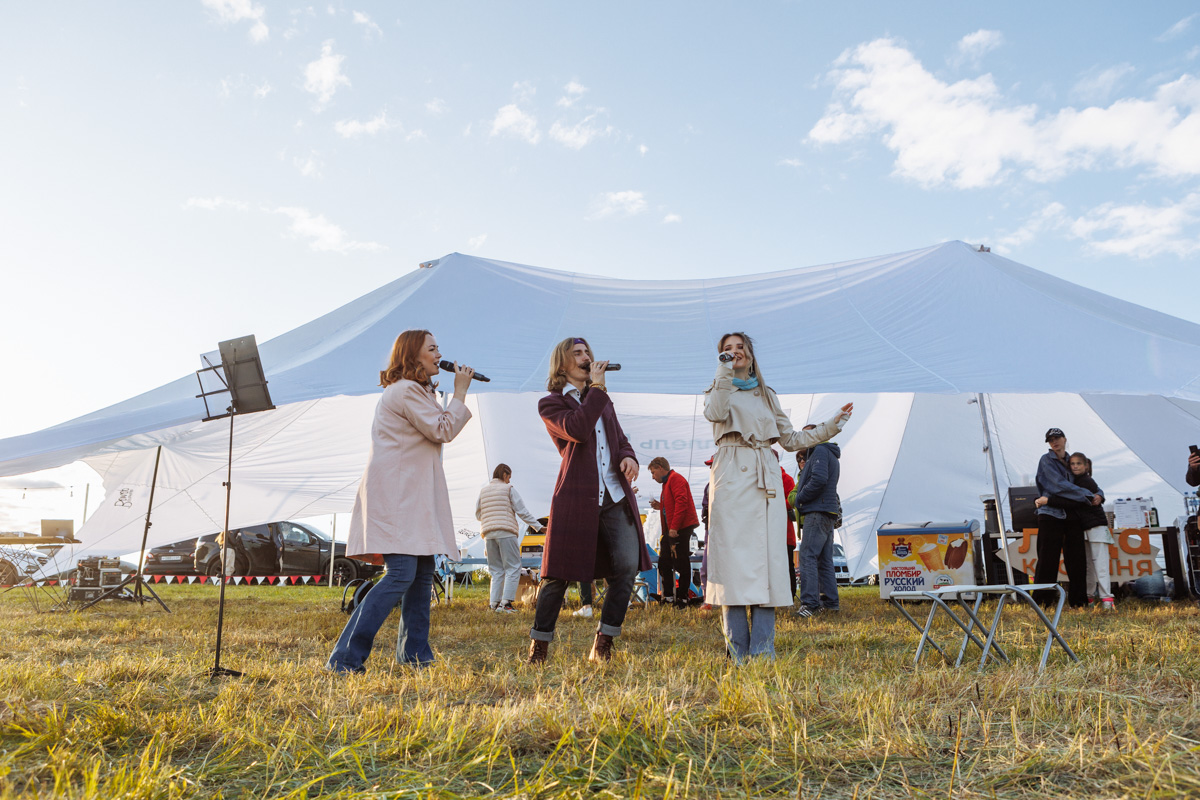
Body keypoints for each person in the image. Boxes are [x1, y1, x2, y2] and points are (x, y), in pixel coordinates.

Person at [327, 330, 475, 673]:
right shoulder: (406, 390)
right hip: (399, 499)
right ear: (413, 356)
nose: (440, 354)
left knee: (422, 574)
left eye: (439, 347)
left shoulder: (417, 391)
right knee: (401, 574)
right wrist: (461, 392)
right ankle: (345, 659)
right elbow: (443, 430)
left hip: (411, 499)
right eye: (433, 348)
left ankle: (415, 655)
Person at [703, 332, 852, 662]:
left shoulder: (767, 395)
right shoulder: (718, 388)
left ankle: (763, 650)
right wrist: (723, 372)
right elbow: (714, 413)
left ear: (752, 354)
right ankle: (737, 650)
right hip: (730, 473)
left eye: (740, 348)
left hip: (764, 477)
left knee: (768, 562)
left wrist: (832, 425)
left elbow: (792, 438)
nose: (734, 353)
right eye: (727, 349)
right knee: (732, 565)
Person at [528, 337, 651, 664]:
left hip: (614, 496)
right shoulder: (551, 404)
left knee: (626, 568)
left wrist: (630, 458)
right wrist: (598, 390)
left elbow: (620, 440)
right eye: (578, 354)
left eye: (588, 353)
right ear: (563, 364)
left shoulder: (602, 400)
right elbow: (578, 429)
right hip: (577, 497)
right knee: (557, 574)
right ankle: (539, 646)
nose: (586, 357)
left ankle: (604, 641)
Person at [1036, 452, 1114, 610]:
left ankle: (1106, 599)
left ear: (1086, 466)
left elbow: (1073, 498)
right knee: (1088, 565)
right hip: (1084, 524)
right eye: (1073, 464)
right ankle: (1090, 597)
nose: (1075, 466)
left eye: (1079, 464)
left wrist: (1048, 500)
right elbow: (1068, 492)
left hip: (1093, 524)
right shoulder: (1078, 480)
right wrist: (1098, 494)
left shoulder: (1084, 481)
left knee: (1098, 563)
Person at [1032, 428, 1100, 609]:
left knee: (1077, 560)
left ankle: (1079, 602)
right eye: (1051, 440)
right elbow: (1058, 486)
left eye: (1057, 438)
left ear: (1064, 439)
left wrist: (1098, 494)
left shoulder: (1072, 461)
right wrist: (1086, 495)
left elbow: (1087, 479)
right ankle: (1042, 602)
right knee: (1048, 560)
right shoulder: (1046, 460)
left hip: (1071, 514)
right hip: (1050, 515)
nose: (1054, 442)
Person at [476, 463, 543, 613]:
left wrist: (491, 520)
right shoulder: (508, 489)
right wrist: (538, 526)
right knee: (513, 567)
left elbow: (478, 514)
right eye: (509, 477)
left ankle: (494, 604)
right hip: (506, 532)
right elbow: (522, 511)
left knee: (496, 570)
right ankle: (506, 604)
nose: (509, 481)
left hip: (488, 534)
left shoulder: (483, 491)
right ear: (504, 475)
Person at [791, 428, 843, 617]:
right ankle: (830, 602)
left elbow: (819, 480)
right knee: (824, 559)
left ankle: (810, 603)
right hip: (827, 511)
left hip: (817, 510)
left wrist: (800, 499)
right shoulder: (829, 452)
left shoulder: (820, 451)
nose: (804, 437)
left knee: (807, 556)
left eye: (808, 433)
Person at [648, 456, 700, 608]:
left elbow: (682, 502)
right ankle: (669, 596)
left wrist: (674, 528)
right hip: (672, 529)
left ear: (660, 468)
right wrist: (661, 506)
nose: (652, 476)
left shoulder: (675, 479)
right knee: (664, 563)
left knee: (681, 562)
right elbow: (674, 504)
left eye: (653, 472)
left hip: (679, 529)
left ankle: (682, 598)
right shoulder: (668, 482)